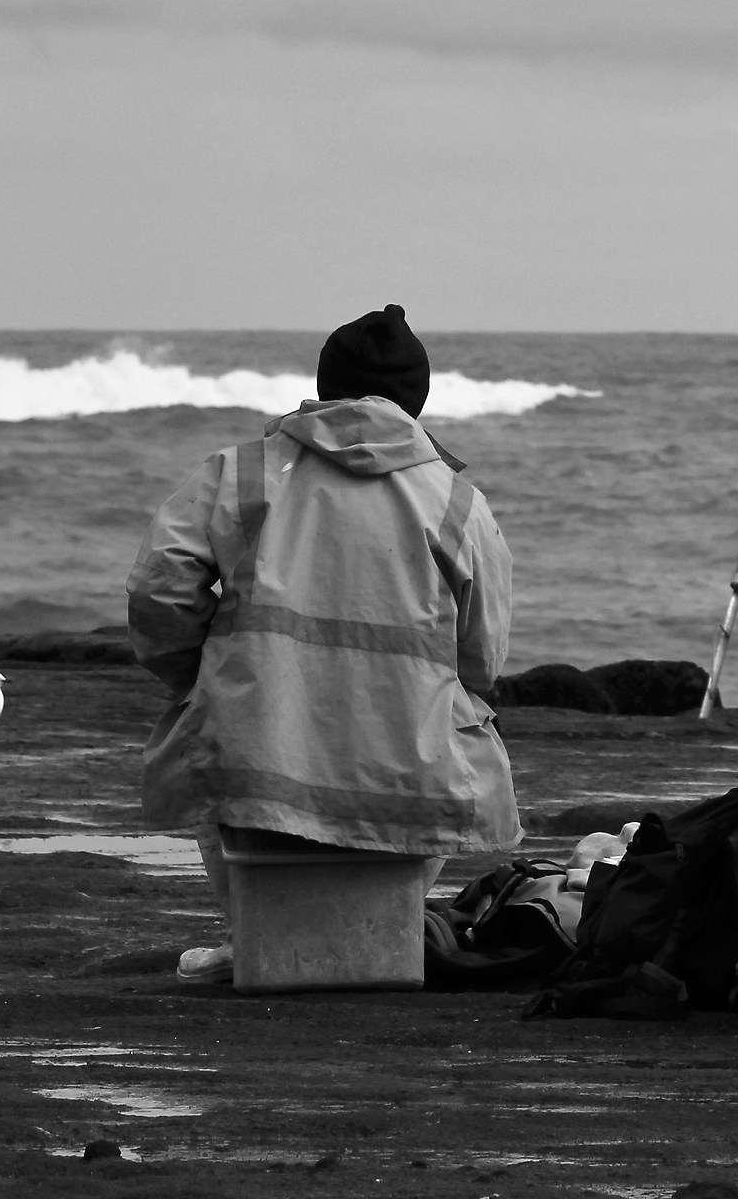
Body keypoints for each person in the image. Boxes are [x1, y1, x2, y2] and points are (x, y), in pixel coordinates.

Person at [126, 304, 523, 982]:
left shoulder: (240, 473)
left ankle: (253, 935)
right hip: (407, 766)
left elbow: (160, 591)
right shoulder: (456, 501)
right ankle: (380, 930)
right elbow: (483, 654)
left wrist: (194, 673)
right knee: (473, 752)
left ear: (323, 384)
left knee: (208, 727)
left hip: (260, 753)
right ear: (418, 400)